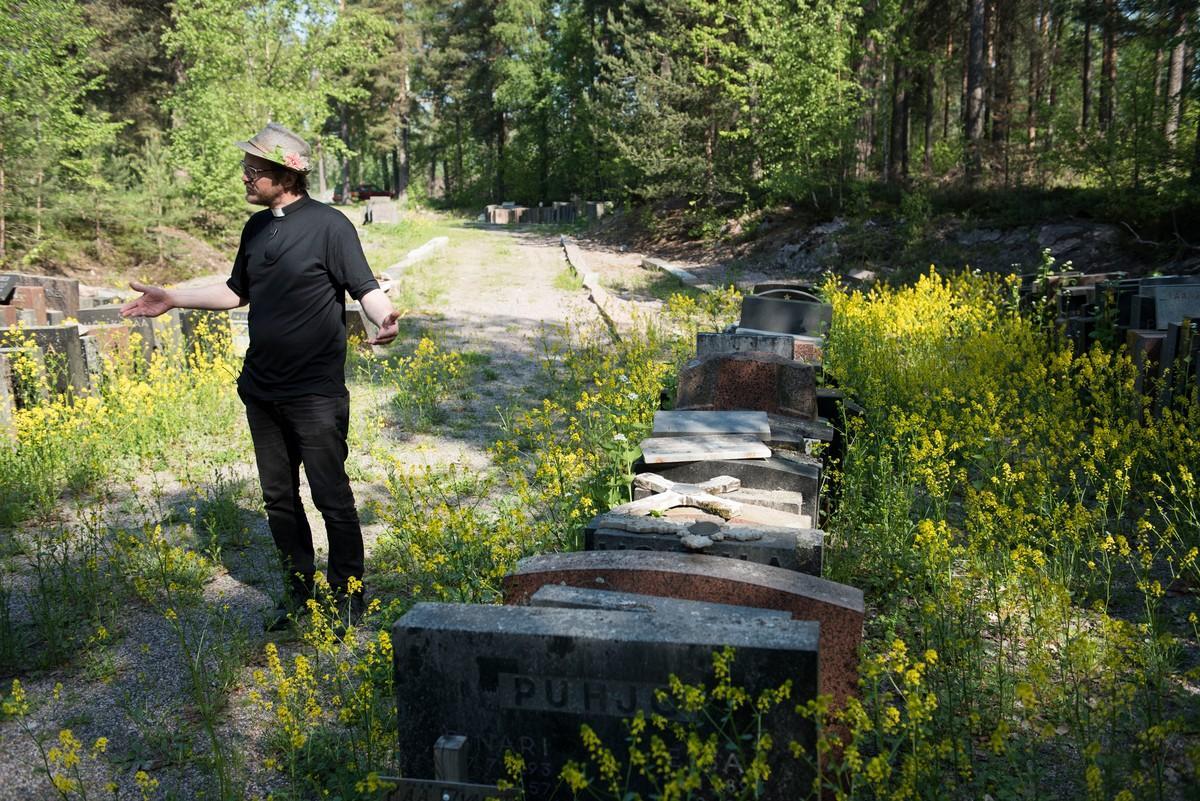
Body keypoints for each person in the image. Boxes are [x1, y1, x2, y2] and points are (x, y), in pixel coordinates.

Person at [122, 122, 399, 632]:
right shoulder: (255, 229)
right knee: (278, 498)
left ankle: (348, 596)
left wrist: (383, 319)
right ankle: (299, 594)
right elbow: (236, 291)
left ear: (284, 175)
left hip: (314, 393)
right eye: (246, 170)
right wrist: (174, 297)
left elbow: (364, 287)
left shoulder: (330, 225)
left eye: (253, 171)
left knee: (330, 496)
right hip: (262, 389)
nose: (245, 179)